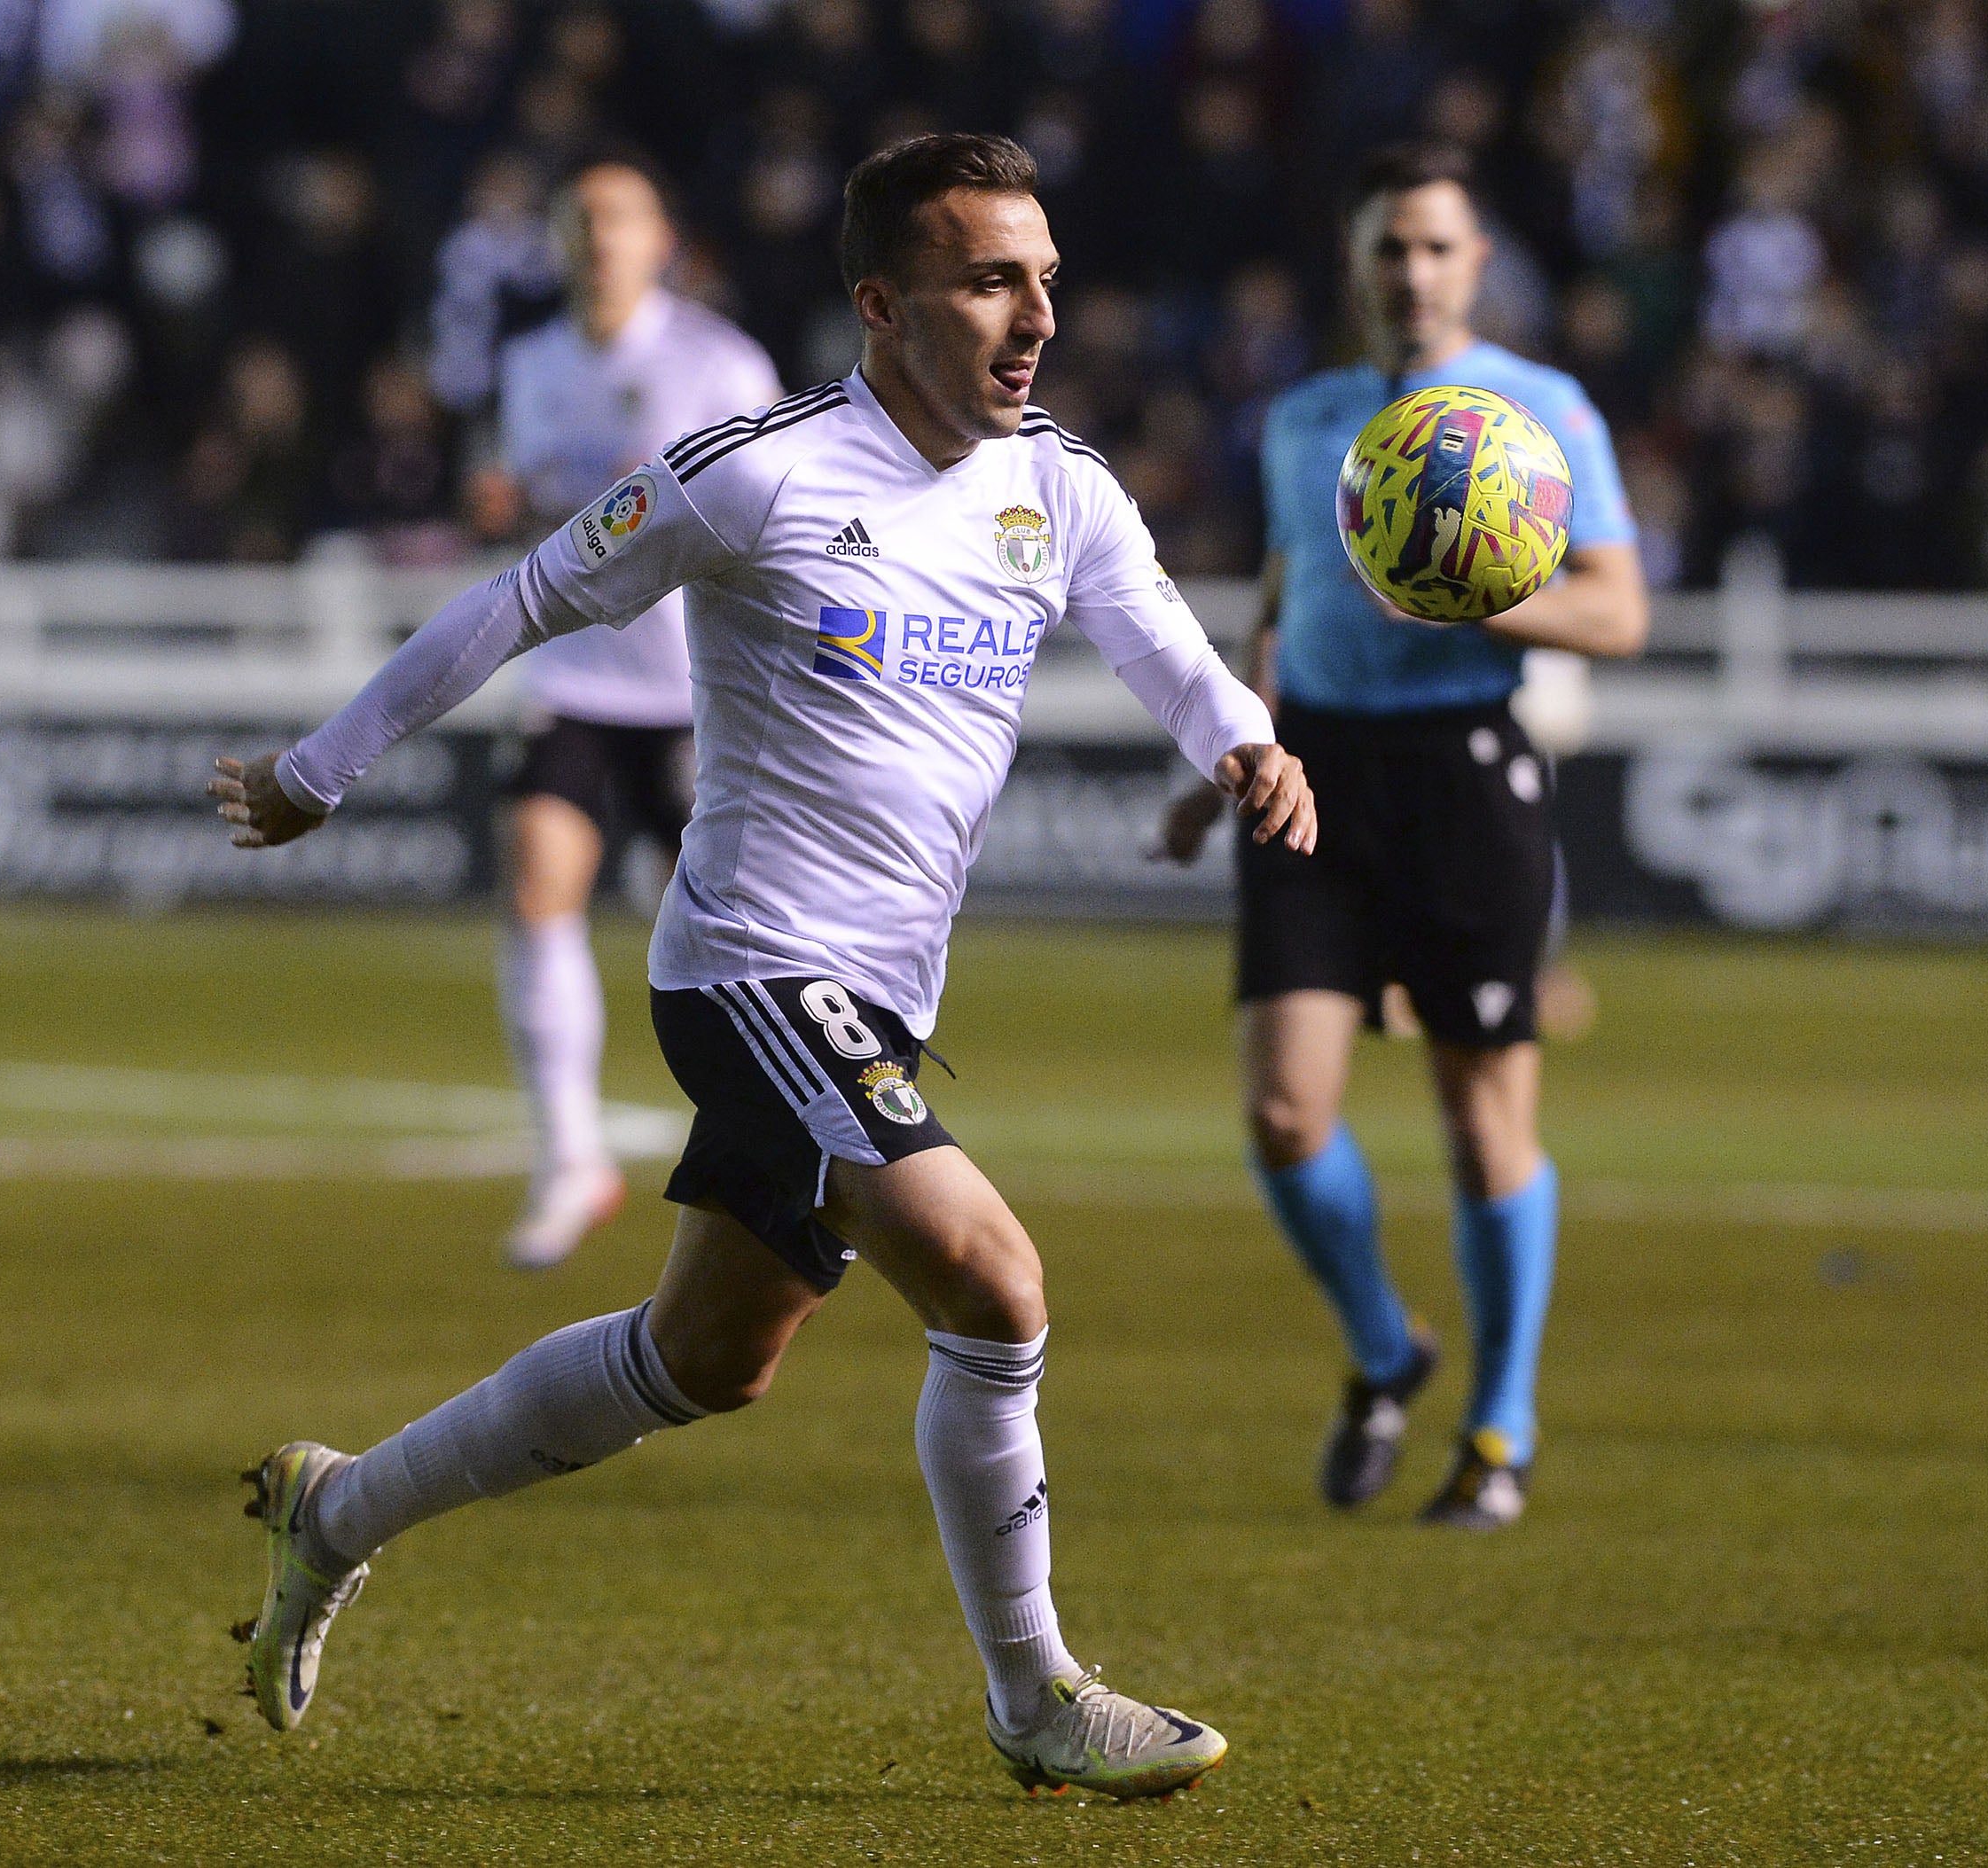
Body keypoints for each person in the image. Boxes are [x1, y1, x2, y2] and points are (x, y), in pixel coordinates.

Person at [208, 133, 1313, 1798]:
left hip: (879, 1000)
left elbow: (1162, 638)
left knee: (701, 1360)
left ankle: (336, 1506)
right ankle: (1034, 1696)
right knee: (994, 1284)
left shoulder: (1057, 484)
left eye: (1047, 283)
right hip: (750, 966)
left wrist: (1242, 741)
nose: (1034, 318)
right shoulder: (759, 471)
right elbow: (518, 600)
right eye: (990, 282)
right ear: (882, 305)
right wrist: (320, 766)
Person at [1156, 142, 1648, 1528]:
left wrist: (1479, 595)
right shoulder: (1306, 416)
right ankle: (1386, 1346)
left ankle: (1499, 1429)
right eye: (1389, 246)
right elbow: (1278, 589)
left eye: (1437, 246)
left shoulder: (1540, 413)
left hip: (1462, 774)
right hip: (1309, 770)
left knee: (1481, 1114)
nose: (1413, 271)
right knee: (1280, 1107)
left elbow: (1618, 615)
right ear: (1357, 264)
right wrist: (1223, 752)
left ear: (1476, 263)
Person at [481, 156, 782, 1269]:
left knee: (708, 931)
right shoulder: (529, 364)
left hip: (692, 687)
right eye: (580, 220)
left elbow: (772, 520)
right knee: (535, 874)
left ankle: (769, 1139)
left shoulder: (718, 361)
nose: (598, 238)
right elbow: (538, 512)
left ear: (662, 239)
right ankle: (569, 1157)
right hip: (571, 677)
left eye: (619, 218)